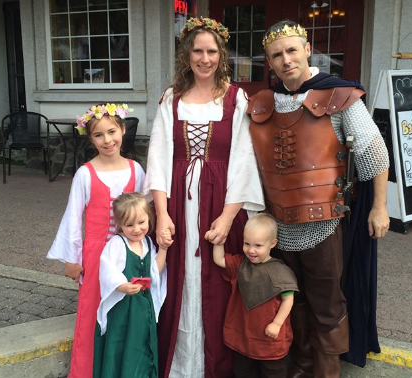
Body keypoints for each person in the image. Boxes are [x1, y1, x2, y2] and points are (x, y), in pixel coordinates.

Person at [246, 20, 390, 378]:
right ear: (269, 61)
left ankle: (326, 372)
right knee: (291, 299)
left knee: (326, 302)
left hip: (324, 223)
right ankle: (302, 363)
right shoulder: (261, 104)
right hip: (277, 225)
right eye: (277, 55)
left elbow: (375, 155)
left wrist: (379, 207)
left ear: (307, 49)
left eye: (292, 50)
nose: (286, 59)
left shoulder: (338, 96)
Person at [143, 16, 265, 378]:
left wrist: (228, 219)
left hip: (221, 202)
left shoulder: (236, 99)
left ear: (221, 54)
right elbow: (159, 157)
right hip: (178, 203)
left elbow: (243, 160)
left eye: (211, 51)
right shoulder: (171, 99)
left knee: (217, 282)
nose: (204, 58)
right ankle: (180, 366)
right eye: (197, 50)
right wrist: (162, 215)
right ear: (187, 54)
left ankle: (215, 367)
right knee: (179, 278)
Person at [47, 103, 145, 378]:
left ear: (123, 130)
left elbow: (144, 213)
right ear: (90, 139)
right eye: (98, 135)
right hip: (95, 255)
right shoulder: (85, 174)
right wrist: (72, 259)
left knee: (125, 311)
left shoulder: (136, 170)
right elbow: (72, 217)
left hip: (129, 252)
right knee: (92, 313)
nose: (107, 140)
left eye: (112, 131)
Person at [211, 213, 298, 378]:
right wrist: (219, 240)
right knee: (243, 370)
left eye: (258, 245)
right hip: (244, 335)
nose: (251, 250)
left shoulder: (280, 272)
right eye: (246, 243)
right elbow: (219, 259)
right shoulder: (240, 264)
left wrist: (277, 323)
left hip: (269, 338)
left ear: (272, 244)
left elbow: (288, 299)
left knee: (274, 372)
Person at [93, 192, 170, 377]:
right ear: (120, 225)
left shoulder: (147, 242)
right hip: (123, 309)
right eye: (129, 225)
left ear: (149, 219)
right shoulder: (117, 244)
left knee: (142, 347)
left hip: (143, 308)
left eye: (141, 222)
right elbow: (107, 269)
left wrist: (164, 249)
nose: (136, 229)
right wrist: (122, 286)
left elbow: (155, 271)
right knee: (122, 346)